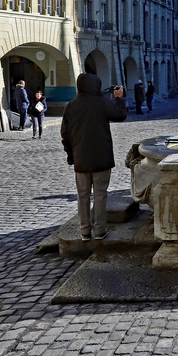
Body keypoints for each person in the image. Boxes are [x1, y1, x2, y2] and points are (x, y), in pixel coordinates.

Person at [61, 73, 127, 240]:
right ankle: (99, 231)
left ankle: (84, 231)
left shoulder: (71, 106)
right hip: (101, 158)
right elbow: (120, 115)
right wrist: (118, 98)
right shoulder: (102, 103)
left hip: (81, 159)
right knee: (100, 195)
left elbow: (65, 134)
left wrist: (70, 154)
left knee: (82, 196)